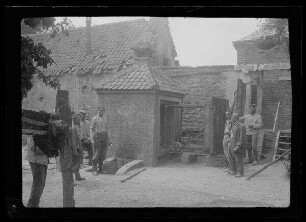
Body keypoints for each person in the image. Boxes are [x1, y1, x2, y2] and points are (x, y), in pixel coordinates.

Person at [25, 135, 49, 207]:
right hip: (37, 161)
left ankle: (34, 204)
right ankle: (32, 205)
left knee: (41, 185)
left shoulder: (41, 131)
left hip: (42, 161)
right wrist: (48, 148)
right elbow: (33, 148)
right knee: (38, 185)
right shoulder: (35, 132)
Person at [90, 106, 110, 176]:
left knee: (103, 154)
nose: (101, 112)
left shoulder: (105, 118)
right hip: (97, 137)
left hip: (104, 137)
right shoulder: (94, 119)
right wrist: (92, 139)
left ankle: (101, 169)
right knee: (97, 153)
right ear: (97, 111)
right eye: (99, 110)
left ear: (103, 111)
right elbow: (91, 129)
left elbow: (106, 130)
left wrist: (108, 139)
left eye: (102, 110)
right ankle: (94, 169)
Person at [228, 113, 247, 177]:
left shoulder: (241, 126)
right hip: (232, 144)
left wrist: (238, 146)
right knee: (232, 158)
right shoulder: (234, 125)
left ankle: (240, 173)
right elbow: (232, 135)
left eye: (232, 117)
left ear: (235, 118)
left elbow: (242, 138)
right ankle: (233, 171)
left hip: (238, 145)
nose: (231, 118)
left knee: (238, 159)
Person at [71, 113, 86, 182]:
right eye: (78, 120)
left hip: (78, 147)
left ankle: (77, 176)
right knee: (75, 163)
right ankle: (70, 179)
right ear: (75, 120)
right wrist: (75, 151)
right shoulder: (73, 128)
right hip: (76, 148)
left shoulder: (75, 127)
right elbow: (74, 141)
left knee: (77, 162)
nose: (80, 121)